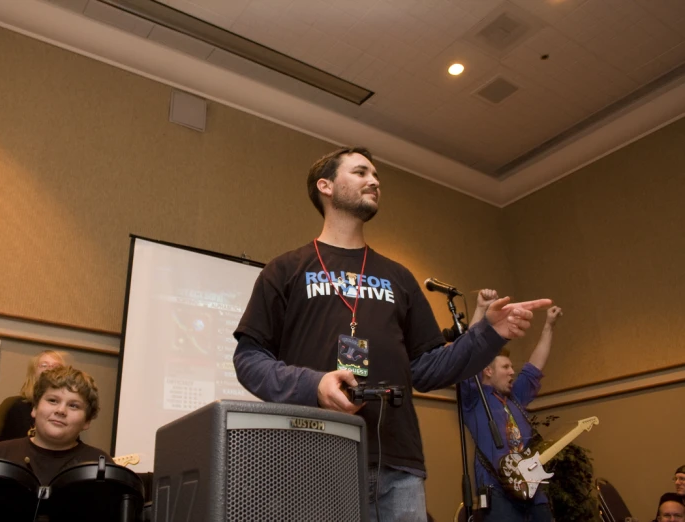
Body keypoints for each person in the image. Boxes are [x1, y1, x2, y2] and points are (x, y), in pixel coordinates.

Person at [233, 147, 551, 521]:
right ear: (326, 186)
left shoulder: (399, 277)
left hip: (398, 466)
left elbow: (430, 368)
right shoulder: (284, 270)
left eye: (377, 176)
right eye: (361, 172)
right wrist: (313, 385)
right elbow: (249, 359)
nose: (374, 181)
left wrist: (488, 334)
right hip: (312, 458)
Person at [460, 288, 563, 522]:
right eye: (505, 367)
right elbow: (467, 355)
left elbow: (534, 368)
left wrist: (548, 326)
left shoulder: (514, 396)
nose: (511, 371)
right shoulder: (475, 398)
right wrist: (481, 310)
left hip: (533, 490)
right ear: (487, 370)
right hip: (498, 493)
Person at [0, 365, 112, 485]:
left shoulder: (99, 464)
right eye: (53, 401)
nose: (60, 411)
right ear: (35, 408)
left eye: (73, 406)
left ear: (87, 421)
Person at [0, 350, 65, 451]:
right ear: (33, 373)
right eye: (44, 365)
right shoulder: (13, 405)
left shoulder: (65, 411)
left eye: (57, 366)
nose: (50, 369)